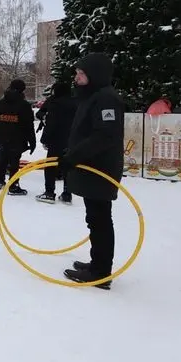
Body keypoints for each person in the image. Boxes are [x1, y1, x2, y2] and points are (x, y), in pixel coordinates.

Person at [60, 53, 125, 289]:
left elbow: (104, 136)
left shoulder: (106, 99)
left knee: (99, 220)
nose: (76, 78)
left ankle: (100, 272)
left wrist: (73, 157)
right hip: (91, 167)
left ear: (94, 75)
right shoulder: (93, 97)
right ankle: (97, 263)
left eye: (81, 74)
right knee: (94, 219)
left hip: (100, 169)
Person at [0, 78, 36, 195]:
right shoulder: (24, 106)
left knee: (2, 159)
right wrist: (32, 141)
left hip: (1, 137)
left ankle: (0, 181)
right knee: (14, 162)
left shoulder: (0, 103)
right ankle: (13, 185)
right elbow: (29, 125)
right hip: (17, 139)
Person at [34, 81, 77, 204]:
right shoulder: (76, 102)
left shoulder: (53, 101)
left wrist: (45, 139)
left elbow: (44, 117)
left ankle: (49, 192)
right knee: (67, 166)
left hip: (55, 139)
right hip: (71, 140)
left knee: (50, 166)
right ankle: (67, 194)